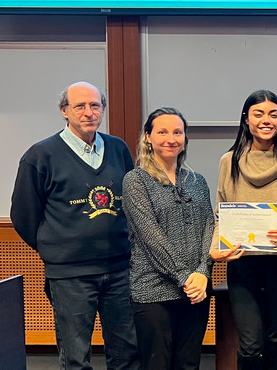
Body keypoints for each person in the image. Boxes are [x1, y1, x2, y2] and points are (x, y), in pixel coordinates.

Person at [10, 81, 140, 370]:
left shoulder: (118, 149)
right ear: (64, 111)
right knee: (76, 359)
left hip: (120, 269)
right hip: (70, 275)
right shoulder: (40, 156)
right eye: (79, 106)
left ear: (103, 110)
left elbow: (132, 203)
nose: (88, 112)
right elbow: (23, 216)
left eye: (95, 105)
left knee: (127, 355)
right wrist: (59, 246)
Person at [210, 90, 277, 370]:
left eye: (273, 114)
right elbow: (222, 210)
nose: (267, 120)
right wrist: (215, 248)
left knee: (276, 340)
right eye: (259, 114)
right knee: (250, 346)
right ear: (246, 119)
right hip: (242, 264)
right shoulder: (228, 161)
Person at [122, 108, 214, 370]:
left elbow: (209, 226)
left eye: (177, 132)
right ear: (148, 137)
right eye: (162, 132)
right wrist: (186, 276)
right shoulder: (136, 180)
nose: (170, 138)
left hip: (196, 291)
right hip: (153, 291)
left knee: (188, 364)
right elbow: (151, 237)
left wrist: (202, 271)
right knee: (157, 364)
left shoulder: (197, 181)